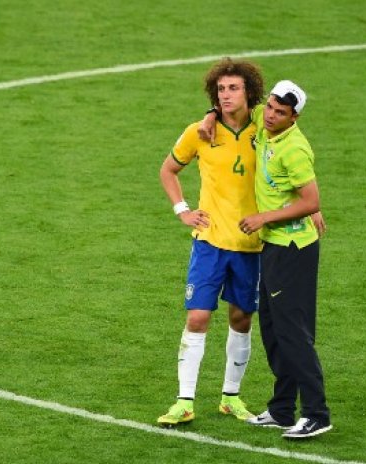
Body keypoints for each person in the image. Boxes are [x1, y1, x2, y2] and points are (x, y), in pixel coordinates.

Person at [201, 80, 332, 438]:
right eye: (271, 107)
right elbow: (235, 110)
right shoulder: (262, 117)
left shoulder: (294, 149)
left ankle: (317, 413)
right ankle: (283, 409)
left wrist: (262, 218)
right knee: (273, 331)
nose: (272, 116)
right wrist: (211, 115)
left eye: (281, 112)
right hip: (273, 247)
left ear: (295, 117)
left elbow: (312, 200)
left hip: (293, 250)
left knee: (293, 333)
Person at [156, 58, 265, 427]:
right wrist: (182, 209)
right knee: (198, 316)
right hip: (209, 241)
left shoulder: (265, 127)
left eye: (233, 88)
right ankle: (184, 401)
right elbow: (168, 170)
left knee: (241, 318)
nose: (226, 95)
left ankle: (230, 397)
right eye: (220, 89)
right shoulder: (199, 132)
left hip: (251, 244)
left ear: (250, 92)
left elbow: (291, 127)